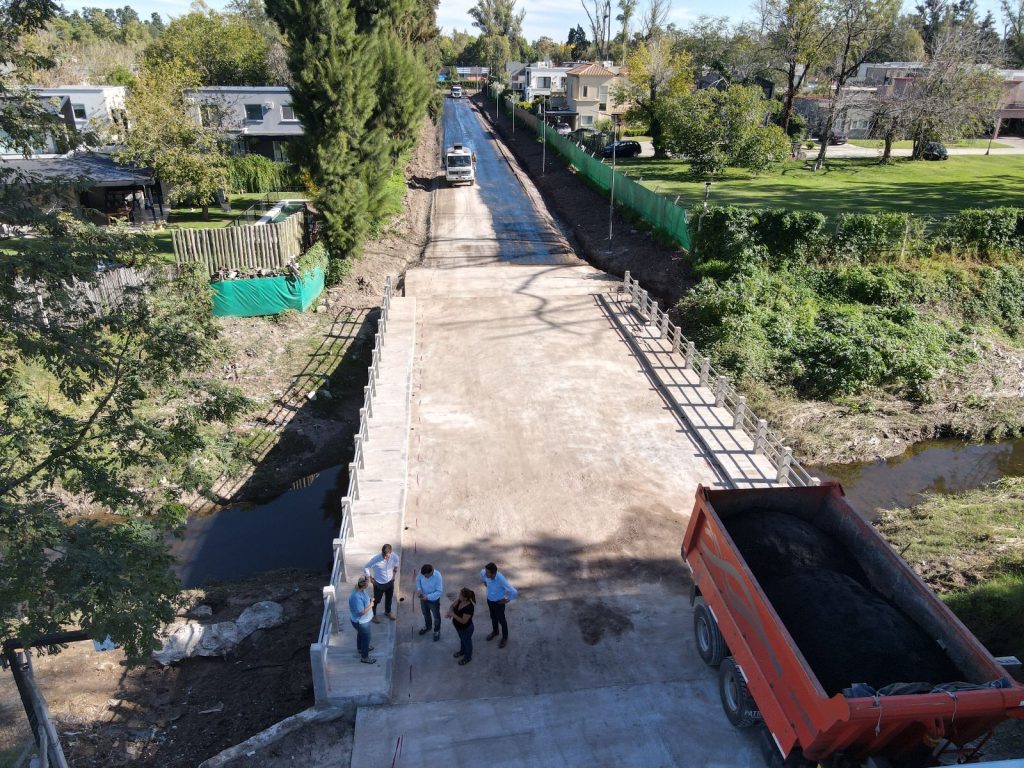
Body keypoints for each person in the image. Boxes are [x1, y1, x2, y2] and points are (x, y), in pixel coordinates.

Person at [480, 562, 518, 648]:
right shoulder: (485, 573)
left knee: (502, 620)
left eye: (487, 572)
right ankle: (495, 631)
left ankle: (505, 638)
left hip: (498, 603)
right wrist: (484, 582)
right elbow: (481, 573)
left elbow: (514, 591)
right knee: (493, 617)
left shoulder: (501, 579)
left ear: (493, 573)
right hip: (489, 600)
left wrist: (507, 600)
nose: (485, 573)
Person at [364, 544, 399, 623]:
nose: (385, 557)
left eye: (387, 556)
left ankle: (388, 612)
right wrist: (370, 578)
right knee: (376, 600)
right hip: (378, 584)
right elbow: (366, 567)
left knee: (389, 598)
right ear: (382, 552)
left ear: (391, 552)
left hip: (390, 582)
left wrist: (394, 575)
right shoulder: (375, 559)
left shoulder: (394, 556)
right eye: (384, 555)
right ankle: (373, 615)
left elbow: (397, 562)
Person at [348, 576, 376, 664]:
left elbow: (364, 601)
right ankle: (365, 657)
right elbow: (360, 612)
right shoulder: (356, 596)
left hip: (362, 621)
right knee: (366, 638)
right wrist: (371, 604)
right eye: (368, 583)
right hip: (361, 622)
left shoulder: (361, 590)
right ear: (364, 585)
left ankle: (360, 648)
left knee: (361, 634)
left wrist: (370, 600)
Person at [446, 588, 476, 665]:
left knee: (467, 643)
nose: (459, 596)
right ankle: (462, 651)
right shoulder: (460, 600)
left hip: (466, 628)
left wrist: (453, 615)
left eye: (461, 595)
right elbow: (452, 606)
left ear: (466, 598)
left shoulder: (469, 607)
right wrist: (450, 611)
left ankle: (468, 657)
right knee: (462, 639)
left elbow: (463, 621)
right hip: (458, 627)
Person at [415, 564, 444, 641]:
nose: (425, 577)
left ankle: (437, 631)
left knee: (436, 616)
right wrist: (419, 589)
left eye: (426, 576)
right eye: (423, 575)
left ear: (431, 572)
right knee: (425, 613)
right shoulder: (422, 572)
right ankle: (428, 627)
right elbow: (418, 580)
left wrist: (427, 597)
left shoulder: (438, 576)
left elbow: (439, 591)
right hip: (423, 598)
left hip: (433, 600)